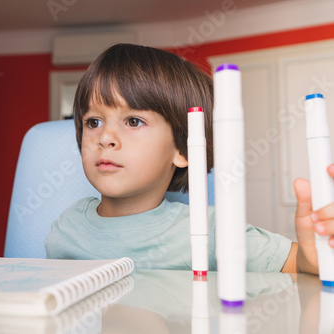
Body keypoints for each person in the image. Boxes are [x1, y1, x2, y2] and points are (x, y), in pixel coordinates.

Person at [45, 43, 332, 274]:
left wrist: (313, 256)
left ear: (184, 149)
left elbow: (300, 262)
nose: (105, 137)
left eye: (133, 121)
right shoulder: (66, 228)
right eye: (93, 122)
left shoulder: (212, 232)